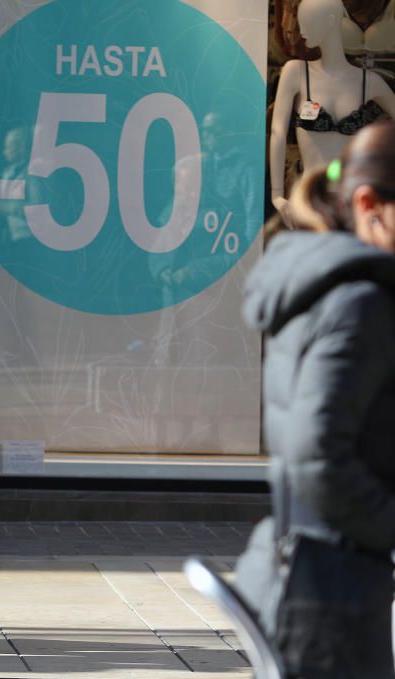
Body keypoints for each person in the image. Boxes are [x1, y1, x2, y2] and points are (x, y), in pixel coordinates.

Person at [235, 120, 395, 678]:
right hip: (330, 594)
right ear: (370, 203)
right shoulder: (359, 302)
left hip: (307, 574)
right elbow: (318, 457)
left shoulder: (325, 284)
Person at [269, 0, 395, 227]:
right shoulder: (297, 72)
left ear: (330, 21)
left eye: (307, 22)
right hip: (308, 198)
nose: (301, 30)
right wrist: (277, 194)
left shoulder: (368, 81)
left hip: (352, 200)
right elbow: (277, 133)